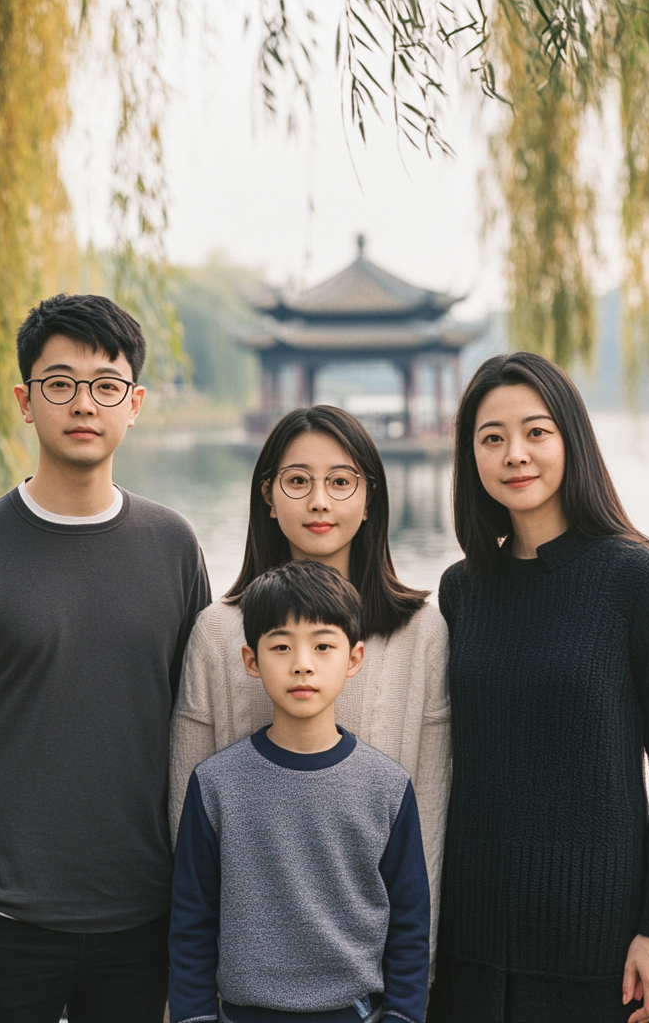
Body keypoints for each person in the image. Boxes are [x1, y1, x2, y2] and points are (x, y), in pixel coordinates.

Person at [0, 293, 211, 1023]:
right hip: (4, 920)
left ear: (133, 404)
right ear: (25, 399)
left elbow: (201, 718)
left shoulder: (172, 545)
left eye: (106, 386)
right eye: (59, 383)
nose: (83, 404)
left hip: (143, 918)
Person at [428, 352, 649, 1023]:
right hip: (474, 942)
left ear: (570, 441)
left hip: (603, 944)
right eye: (492, 438)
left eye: (536, 432)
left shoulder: (638, 581)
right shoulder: (462, 589)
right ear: (472, 458)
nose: (515, 454)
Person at [169, 405, 451, 948]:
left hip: (372, 976)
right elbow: (189, 814)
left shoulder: (424, 633)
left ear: (370, 500)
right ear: (268, 497)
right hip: (246, 969)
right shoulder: (218, 633)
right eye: (297, 481)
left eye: (340, 482)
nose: (319, 500)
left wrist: (415, 974)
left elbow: (431, 817)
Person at [169, 559, 430, 1023]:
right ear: (252, 661)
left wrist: (404, 1017)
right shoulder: (216, 785)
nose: (302, 665)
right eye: (281, 647)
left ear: (354, 659)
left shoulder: (386, 787)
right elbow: (192, 918)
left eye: (323, 646)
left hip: (354, 1015)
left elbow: (409, 922)